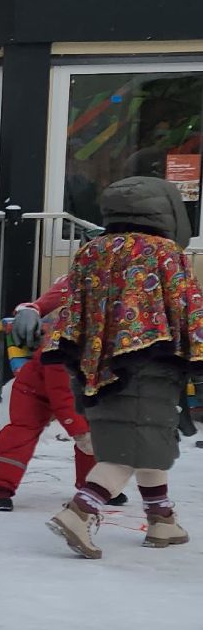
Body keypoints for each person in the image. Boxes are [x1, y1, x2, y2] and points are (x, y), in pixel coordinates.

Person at [42, 177, 203, 558]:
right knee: (130, 448)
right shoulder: (165, 253)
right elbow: (187, 306)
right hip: (150, 362)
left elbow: (75, 304)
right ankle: (80, 512)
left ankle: (161, 519)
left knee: (146, 438)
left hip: (96, 364)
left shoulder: (93, 249)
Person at [0, 275, 105, 512]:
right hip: (33, 390)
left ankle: (93, 487)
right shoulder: (62, 347)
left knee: (95, 430)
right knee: (21, 432)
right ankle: (0, 487)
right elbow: (63, 396)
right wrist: (78, 430)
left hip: (78, 389)